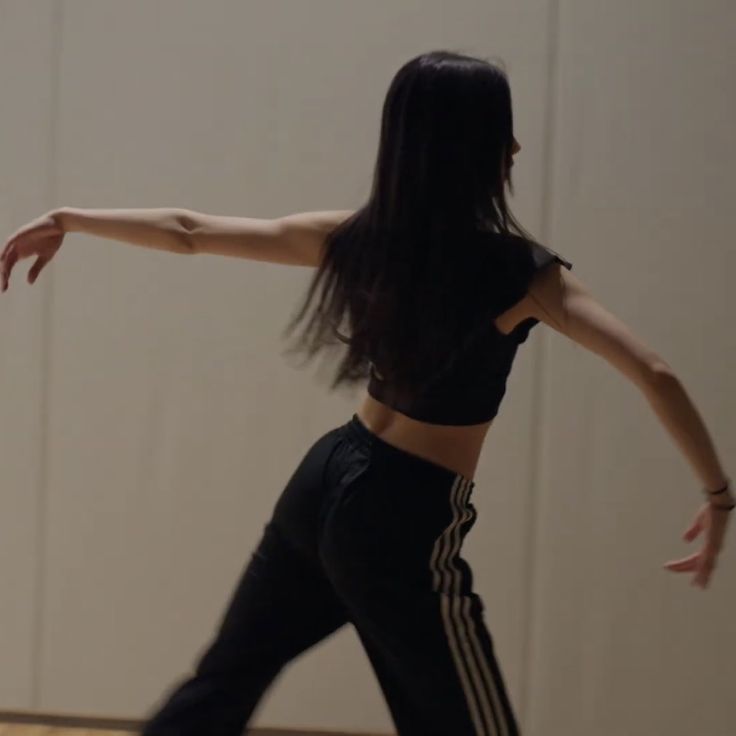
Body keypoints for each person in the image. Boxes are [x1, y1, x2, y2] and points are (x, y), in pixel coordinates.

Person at [1, 50, 732, 736]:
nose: (515, 149)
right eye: (503, 133)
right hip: (403, 515)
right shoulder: (522, 274)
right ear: (481, 149)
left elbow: (190, 231)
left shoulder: (357, 239)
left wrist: (69, 217)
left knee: (222, 683)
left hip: (323, 481)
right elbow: (656, 373)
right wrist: (719, 494)